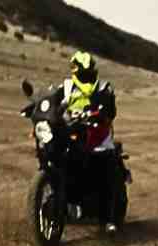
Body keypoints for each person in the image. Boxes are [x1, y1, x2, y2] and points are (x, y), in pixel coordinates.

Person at [60, 51, 120, 233]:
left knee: (106, 166)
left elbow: (110, 110)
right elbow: (52, 100)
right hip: (71, 132)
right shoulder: (67, 86)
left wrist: (100, 113)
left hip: (98, 137)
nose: (73, 70)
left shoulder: (103, 87)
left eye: (75, 66)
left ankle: (109, 218)